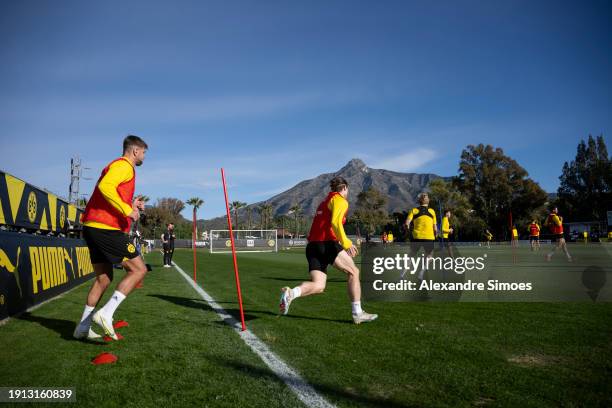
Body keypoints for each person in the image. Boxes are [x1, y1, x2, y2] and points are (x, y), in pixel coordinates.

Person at [73, 135, 148, 341]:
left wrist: (132, 205)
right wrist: (127, 209)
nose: (143, 156)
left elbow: (110, 193)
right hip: (105, 228)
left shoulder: (118, 167)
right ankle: (106, 314)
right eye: (143, 152)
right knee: (139, 269)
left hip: (93, 227)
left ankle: (82, 328)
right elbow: (106, 187)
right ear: (135, 151)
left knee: (104, 279)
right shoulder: (124, 166)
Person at [279, 176, 378, 324]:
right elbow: (335, 222)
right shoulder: (340, 200)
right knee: (354, 272)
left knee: (319, 286)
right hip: (327, 244)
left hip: (313, 246)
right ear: (344, 188)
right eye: (347, 189)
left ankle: (291, 293)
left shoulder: (323, 203)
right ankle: (357, 313)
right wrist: (346, 243)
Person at [405, 192, 437, 280]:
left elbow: (407, 223)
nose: (427, 198)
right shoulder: (432, 211)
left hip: (416, 237)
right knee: (429, 255)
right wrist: (436, 233)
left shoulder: (414, 210)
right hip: (429, 237)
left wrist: (408, 232)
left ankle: (402, 275)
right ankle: (421, 273)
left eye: (426, 196)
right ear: (424, 200)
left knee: (411, 255)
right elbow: (435, 228)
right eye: (426, 197)